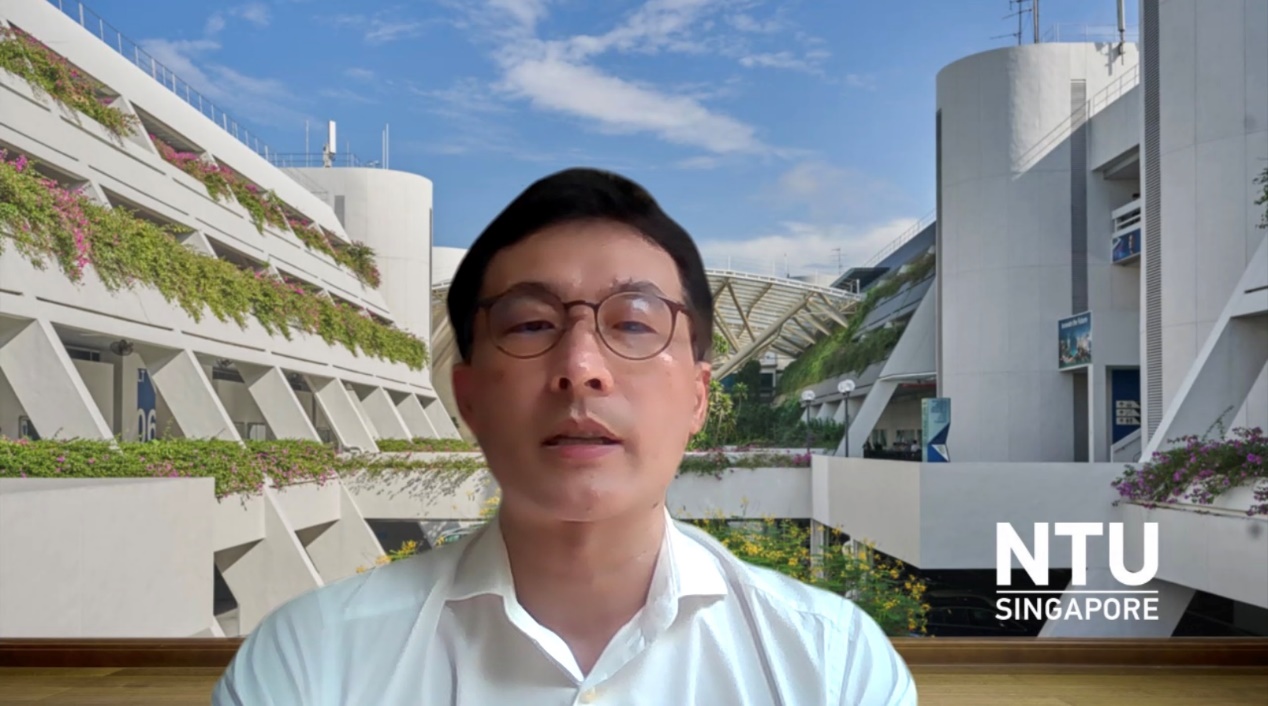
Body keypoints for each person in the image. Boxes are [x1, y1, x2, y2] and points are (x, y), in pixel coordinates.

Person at [211, 167, 917, 705]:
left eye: (634, 323)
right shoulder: (310, 664)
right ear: (468, 397)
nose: (581, 368)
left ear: (699, 396)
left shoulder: (832, 666)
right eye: (530, 324)